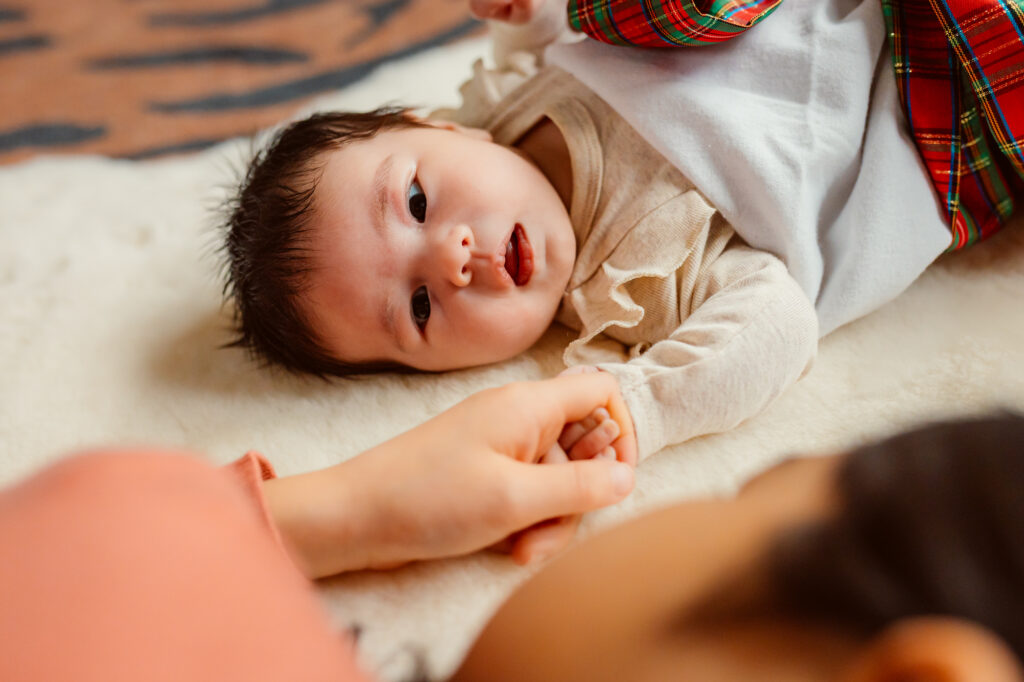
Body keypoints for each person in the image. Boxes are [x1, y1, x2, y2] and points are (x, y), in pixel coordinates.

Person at [2, 382, 1022, 680]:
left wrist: (287, 515)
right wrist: (353, 514)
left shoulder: (147, 537)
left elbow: (112, 545)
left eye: (745, 494)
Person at [219, 0, 822, 465]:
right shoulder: (637, 285)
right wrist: (641, 405)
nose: (452, 260)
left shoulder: (508, 101)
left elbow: (564, 38)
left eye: (416, 201)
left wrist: (528, 17)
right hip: (897, 100)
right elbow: (782, 321)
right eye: (420, 308)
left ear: (442, 128)